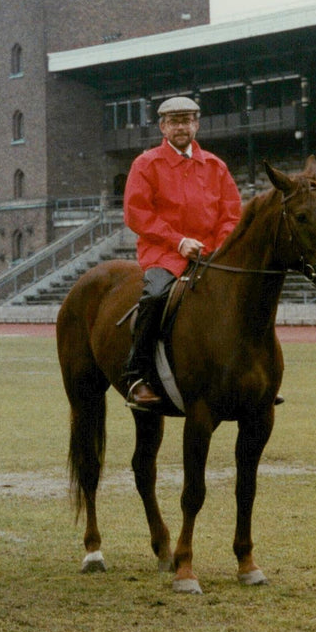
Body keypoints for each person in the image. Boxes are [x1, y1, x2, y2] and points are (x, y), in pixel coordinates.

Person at [122, 96, 242, 409]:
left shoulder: (216, 166)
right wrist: (178, 242)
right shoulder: (146, 164)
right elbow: (137, 214)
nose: (181, 127)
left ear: (196, 124)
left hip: (210, 254)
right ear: (162, 126)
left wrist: (217, 247)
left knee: (244, 297)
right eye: (174, 121)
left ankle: (249, 375)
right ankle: (137, 375)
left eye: (187, 120)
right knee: (156, 295)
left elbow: (231, 213)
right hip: (163, 253)